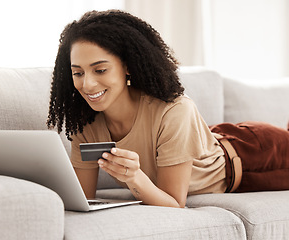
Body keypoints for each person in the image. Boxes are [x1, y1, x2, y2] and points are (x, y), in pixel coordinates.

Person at [47, 10, 289, 208]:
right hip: (210, 142)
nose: (87, 84)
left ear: (128, 67)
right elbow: (83, 201)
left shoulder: (174, 111)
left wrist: (134, 177)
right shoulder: (84, 122)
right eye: (77, 73)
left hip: (251, 155)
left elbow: (174, 204)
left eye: (100, 70)